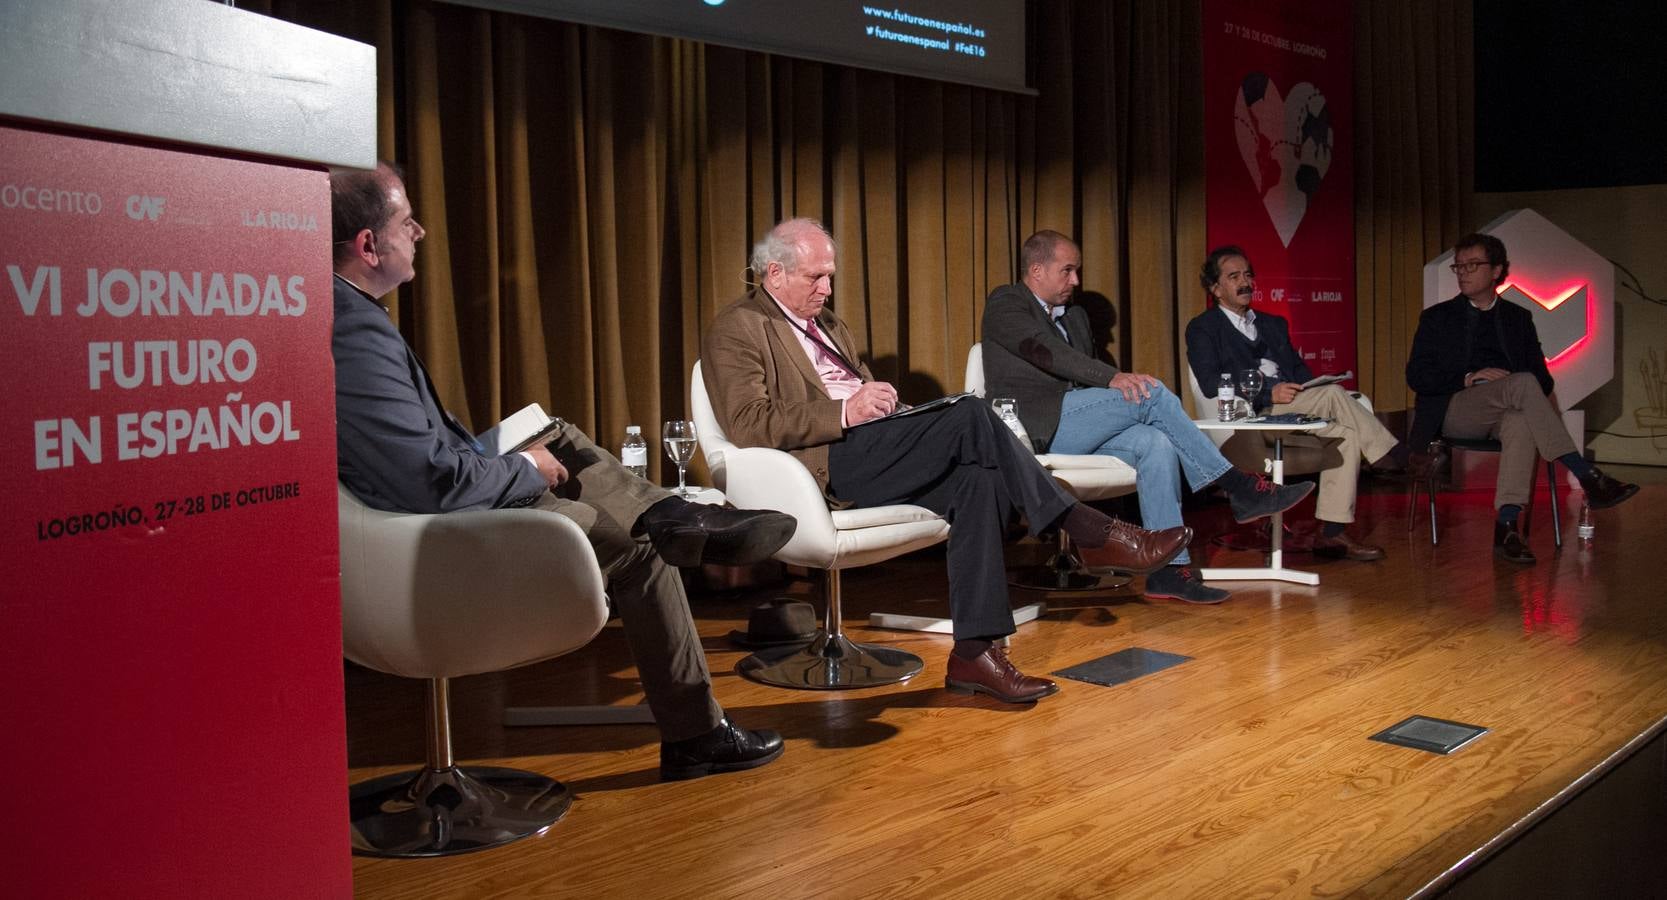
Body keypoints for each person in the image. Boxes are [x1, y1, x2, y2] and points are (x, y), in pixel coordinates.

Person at [330, 162, 792, 780]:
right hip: (429, 541)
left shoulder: (346, 310)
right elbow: (429, 483)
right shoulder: (354, 330)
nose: (420, 232)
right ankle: (695, 731)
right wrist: (523, 469)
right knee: (640, 551)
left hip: (426, 505)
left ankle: (674, 513)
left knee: (563, 438)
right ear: (367, 246)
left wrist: (529, 455)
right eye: (406, 221)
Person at [701, 218, 1195, 705]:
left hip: (874, 445)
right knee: (972, 414)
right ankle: (1091, 532)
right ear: (774, 273)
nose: (828, 288)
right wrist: (845, 410)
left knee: (975, 480)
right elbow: (748, 420)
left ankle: (974, 655)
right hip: (822, 463)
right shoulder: (740, 326)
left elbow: (857, 391)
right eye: (816, 277)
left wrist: (890, 407)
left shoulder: (829, 325)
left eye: (831, 275)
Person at [981, 231, 1316, 604]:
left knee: (1156, 443)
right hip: (1035, 423)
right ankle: (1238, 487)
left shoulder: (1074, 316)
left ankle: (1168, 572)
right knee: (1151, 393)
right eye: (1068, 271)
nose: (1075, 281)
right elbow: (1046, 352)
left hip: (1078, 420)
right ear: (1037, 270)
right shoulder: (1007, 301)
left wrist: (1111, 388)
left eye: (1077, 271)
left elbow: (1081, 377)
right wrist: (1112, 378)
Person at [1406, 232, 1637, 563]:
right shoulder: (1437, 318)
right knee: (1521, 384)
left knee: (1520, 420)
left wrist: (1514, 384)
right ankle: (1585, 473)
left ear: (1497, 270)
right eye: (1459, 266)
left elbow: (1541, 381)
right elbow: (1416, 376)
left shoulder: (1518, 318)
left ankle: (1507, 527)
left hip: (1505, 410)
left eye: (1473, 265)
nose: (1464, 272)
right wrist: (1470, 378)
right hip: (1455, 408)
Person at [1186, 244, 1401, 562]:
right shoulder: (1204, 328)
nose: (1245, 282)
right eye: (1234, 277)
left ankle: (1330, 534)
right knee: (1332, 397)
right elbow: (1209, 382)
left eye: (1248, 274)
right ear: (1215, 288)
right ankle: (1395, 455)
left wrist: (1315, 385)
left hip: (1292, 411)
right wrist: (1267, 394)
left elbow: (1300, 373)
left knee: (1346, 433)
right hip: (1250, 421)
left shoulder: (1273, 325)